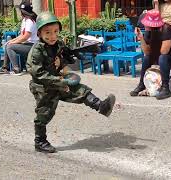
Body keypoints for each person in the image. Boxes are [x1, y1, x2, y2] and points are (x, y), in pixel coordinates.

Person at [26, 12, 116, 153]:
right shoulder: (36, 51)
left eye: (56, 31)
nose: (52, 36)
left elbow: (65, 58)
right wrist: (61, 81)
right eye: (47, 32)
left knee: (81, 90)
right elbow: (37, 74)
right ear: (39, 33)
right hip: (43, 87)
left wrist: (71, 57)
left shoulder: (58, 44)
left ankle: (101, 106)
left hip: (59, 81)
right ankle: (40, 142)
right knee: (44, 113)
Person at [130, 9, 171, 100]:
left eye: (146, 24)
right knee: (147, 58)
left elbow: (164, 51)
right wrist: (141, 38)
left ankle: (165, 87)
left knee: (162, 57)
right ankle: (141, 84)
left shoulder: (166, 29)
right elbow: (147, 52)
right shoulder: (148, 31)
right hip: (165, 57)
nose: (144, 26)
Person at [0, 1, 38, 75]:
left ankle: (16, 69)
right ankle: (5, 68)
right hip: (27, 44)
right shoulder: (25, 20)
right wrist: (12, 41)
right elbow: (22, 35)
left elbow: (25, 37)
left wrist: (13, 42)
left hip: (32, 46)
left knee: (10, 46)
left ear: (22, 11)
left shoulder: (30, 21)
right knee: (8, 44)